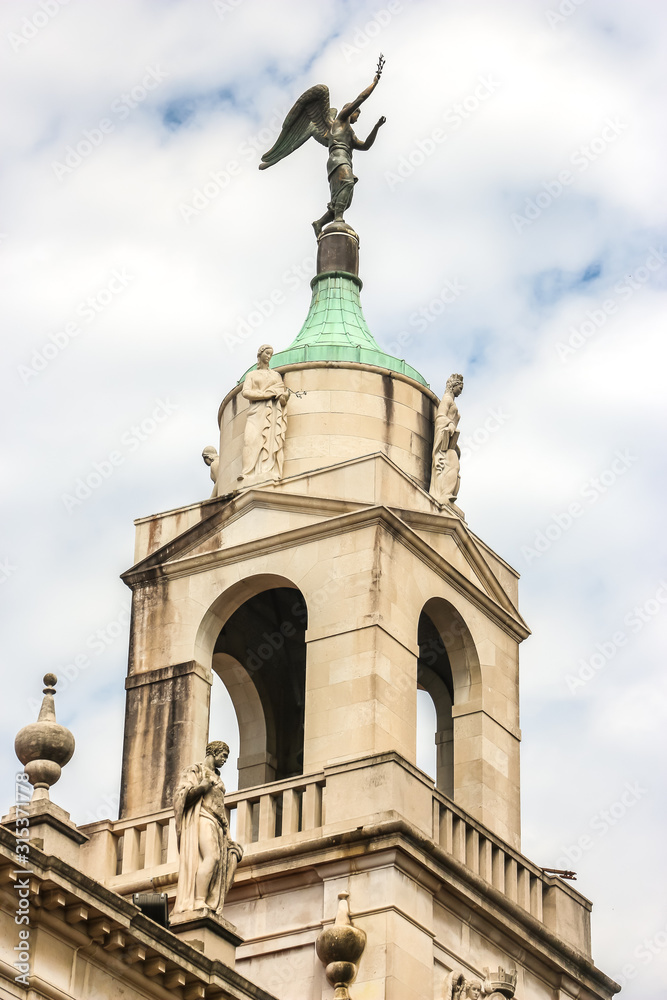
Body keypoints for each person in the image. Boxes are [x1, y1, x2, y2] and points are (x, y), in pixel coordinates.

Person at [312, 71, 386, 236]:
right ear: (350, 111)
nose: (357, 118)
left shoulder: (350, 133)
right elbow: (360, 98)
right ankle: (338, 218)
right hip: (337, 159)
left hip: (344, 160)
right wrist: (374, 83)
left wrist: (376, 127)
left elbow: (365, 145)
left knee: (345, 199)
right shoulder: (340, 120)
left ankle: (319, 223)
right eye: (357, 114)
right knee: (348, 182)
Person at [173, 741, 243, 915]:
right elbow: (180, 796)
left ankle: (207, 901)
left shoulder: (218, 777)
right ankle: (198, 900)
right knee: (212, 857)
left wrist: (228, 836)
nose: (225, 760)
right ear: (213, 752)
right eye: (223, 755)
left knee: (218, 861)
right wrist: (201, 787)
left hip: (218, 823)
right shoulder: (196, 770)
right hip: (203, 817)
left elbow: (220, 808)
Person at [238, 345, 289, 485]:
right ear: (260, 354)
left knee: (270, 440)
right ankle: (247, 473)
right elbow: (246, 392)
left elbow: (282, 395)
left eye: (271, 354)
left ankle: (267, 470)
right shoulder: (252, 375)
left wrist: (284, 395)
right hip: (256, 411)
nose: (269, 356)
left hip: (272, 411)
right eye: (267, 353)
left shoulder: (275, 375)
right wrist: (265, 394)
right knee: (250, 440)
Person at [430, 374, 464, 503]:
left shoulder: (451, 400)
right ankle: (444, 493)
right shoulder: (446, 399)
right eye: (460, 388)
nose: (461, 392)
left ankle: (447, 493)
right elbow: (440, 417)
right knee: (452, 465)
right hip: (444, 438)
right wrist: (449, 423)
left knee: (455, 466)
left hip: (450, 440)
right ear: (454, 386)